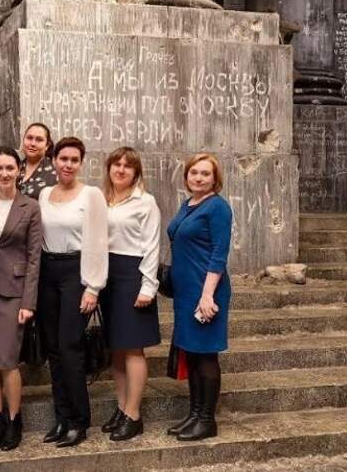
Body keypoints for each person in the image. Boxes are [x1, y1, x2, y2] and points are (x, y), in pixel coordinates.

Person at [37, 137, 108, 448]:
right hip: (47, 272)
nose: (67, 164)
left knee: (70, 347)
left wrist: (93, 286)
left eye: (74, 160)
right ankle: (62, 417)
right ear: (54, 160)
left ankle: (79, 420)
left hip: (76, 273)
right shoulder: (44, 194)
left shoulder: (91, 195)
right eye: (63, 158)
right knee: (53, 349)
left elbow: (99, 241)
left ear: (81, 163)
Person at [0, 147, 43, 452]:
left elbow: (34, 257)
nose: (4, 173)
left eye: (9, 168)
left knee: (8, 361)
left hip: (13, 293)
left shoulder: (31, 206)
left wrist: (28, 302)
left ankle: (15, 419)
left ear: (18, 170)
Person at [166, 153, 233, 442]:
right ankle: (194, 415)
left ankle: (207, 420)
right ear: (186, 176)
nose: (199, 178)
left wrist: (207, 295)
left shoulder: (218, 207)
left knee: (205, 354)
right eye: (194, 172)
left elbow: (219, 253)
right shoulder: (188, 204)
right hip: (185, 292)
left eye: (205, 173)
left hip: (206, 290)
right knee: (191, 353)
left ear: (215, 179)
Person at [98, 147, 161, 441]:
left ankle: (134, 415)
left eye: (128, 166)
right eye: (116, 164)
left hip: (132, 274)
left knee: (133, 348)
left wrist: (148, 286)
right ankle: (122, 408)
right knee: (117, 348)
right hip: (107, 275)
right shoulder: (102, 199)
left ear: (136, 172)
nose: (121, 169)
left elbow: (152, 246)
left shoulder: (145, 202)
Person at [18, 122, 57, 200]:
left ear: (47, 145)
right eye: (29, 138)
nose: (33, 143)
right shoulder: (14, 167)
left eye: (39, 140)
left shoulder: (55, 173)